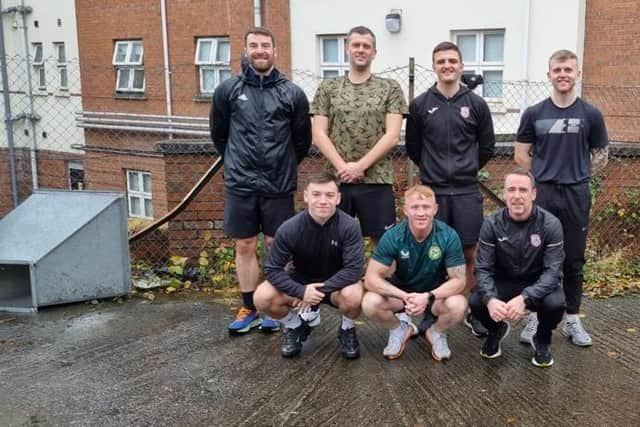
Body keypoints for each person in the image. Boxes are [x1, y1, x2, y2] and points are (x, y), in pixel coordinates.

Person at [210, 27, 312, 336]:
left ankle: (270, 306)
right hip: (240, 182)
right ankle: (249, 307)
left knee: (275, 244)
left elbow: (301, 141)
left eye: (265, 45)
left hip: (278, 183)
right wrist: (237, 162)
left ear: (275, 50)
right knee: (244, 244)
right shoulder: (228, 90)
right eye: (254, 45)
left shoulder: (291, 93)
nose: (260, 51)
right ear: (245, 50)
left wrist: (281, 165)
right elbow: (219, 135)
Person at [515, 49, 608, 347]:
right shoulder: (534, 113)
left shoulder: (591, 114)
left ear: (578, 74)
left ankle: (572, 319)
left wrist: (579, 176)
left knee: (573, 258)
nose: (563, 74)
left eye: (568, 69)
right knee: (536, 255)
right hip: (543, 194)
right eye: (558, 69)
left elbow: (601, 155)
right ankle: (534, 317)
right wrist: (540, 179)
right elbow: (520, 153)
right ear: (549, 74)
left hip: (576, 193)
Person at [405, 41, 496, 338]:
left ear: (461, 65)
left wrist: (465, 167)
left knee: (469, 252)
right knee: (433, 254)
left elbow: (487, 147)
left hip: (466, 191)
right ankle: (433, 311)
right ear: (434, 66)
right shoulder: (420, 104)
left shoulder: (477, 105)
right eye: (441, 61)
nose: (447, 65)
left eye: (452, 61)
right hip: (434, 192)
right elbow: (414, 148)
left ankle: (469, 310)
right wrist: (434, 172)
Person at [311, 25, 407, 244]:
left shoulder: (390, 88)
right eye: (356, 45)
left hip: (376, 179)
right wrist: (343, 168)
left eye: (366, 46)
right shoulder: (328, 88)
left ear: (374, 52)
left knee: (384, 244)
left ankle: (378, 280)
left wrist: (359, 166)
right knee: (330, 241)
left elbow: (392, 135)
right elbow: (318, 133)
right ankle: (337, 280)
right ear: (347, 48)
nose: (361, 49)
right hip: (336, 180)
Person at [254, 172, 364, 359]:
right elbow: (272, 268)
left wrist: (315, 292)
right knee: (262, 297)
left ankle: (347, 329)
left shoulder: (349, 226)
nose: (323, 201)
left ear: (338, 198)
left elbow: (353, 270)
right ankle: (295, 326)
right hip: (301, 281)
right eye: (316, 194)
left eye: (329, 195)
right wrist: (300, 290)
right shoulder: (290, 228)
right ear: (305, 196)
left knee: (354, 296)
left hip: (337, 285)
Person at [471, 169, 566, 367]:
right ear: (504, 193)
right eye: (511, 190)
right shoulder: (491, 224)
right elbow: (483, 269)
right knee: (476, 301)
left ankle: (542, 338)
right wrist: (490, 299)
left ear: (533, 194)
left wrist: (525, 298)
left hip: (537, 283)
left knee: (556, 303)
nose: (516, 196)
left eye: (522, 190)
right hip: (504, 282)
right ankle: (495, 330)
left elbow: (553, 272)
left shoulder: (551, 224)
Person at [362, 184, 467, 361]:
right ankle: (399, 329)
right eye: (415, 207)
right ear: (405, 210)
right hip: (401, 297)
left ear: (435, 209)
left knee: (458, 305)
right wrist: (404, 296)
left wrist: (427, 296)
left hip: (434, 297)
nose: (421, 212)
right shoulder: (393, 236)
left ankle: (436, 332)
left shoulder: (448, 235)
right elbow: (371, 279)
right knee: (370, 303)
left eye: (426, 207)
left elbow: (459, 281)